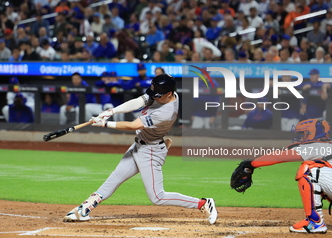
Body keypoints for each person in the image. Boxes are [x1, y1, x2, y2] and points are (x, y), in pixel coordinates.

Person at [63, 74, 218, 225]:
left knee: (157, 197)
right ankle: (83, 209)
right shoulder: (165, 93)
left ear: (169, 94)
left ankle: (203, 203)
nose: (154, 98)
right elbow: (138, 101)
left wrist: (104, 124)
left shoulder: (166, 112)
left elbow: (133, 125)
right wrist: (111, 112)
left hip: (151, 151)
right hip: (139, 145)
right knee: (114, 179)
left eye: (158, 96)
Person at [232, 118, 332, 233]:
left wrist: (251, 164)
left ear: (312, 133)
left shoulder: (316, 146)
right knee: (321, 173)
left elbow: (279, 157)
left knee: (309, 169)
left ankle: (314, 222)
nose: (301, 137)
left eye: (303, 133)